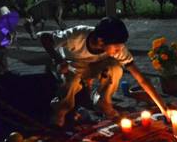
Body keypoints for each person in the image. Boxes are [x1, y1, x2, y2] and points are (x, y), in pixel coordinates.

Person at [39, 17, 168, 127]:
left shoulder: (118, 49)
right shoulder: (77, 36)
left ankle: (103, 102)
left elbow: (141, 79)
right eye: (117, 47)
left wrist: (164, 108)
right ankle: (61, 111)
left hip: (96, 67)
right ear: (101, 41)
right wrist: (58, 60)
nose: (120, 50)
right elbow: (45, 37)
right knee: (72, 81)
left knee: (115, 67)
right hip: (73, 66)